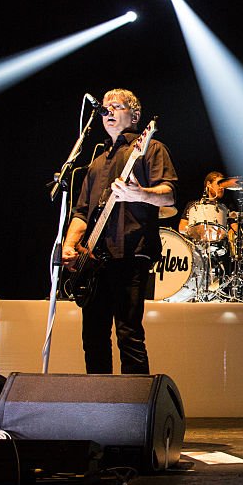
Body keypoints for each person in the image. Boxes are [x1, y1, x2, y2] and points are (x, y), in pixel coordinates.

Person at [62, 89, 178, 374]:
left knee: (129, 336)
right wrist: (69, 244)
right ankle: (100, 407)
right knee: (93, 338)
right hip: (92, 261)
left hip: (130, 253)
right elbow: (81, 214)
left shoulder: (151, 149)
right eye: (104, 107)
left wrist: (139, 194)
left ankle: (133, 408)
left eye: (116, 106)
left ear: (135, 116)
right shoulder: (96, 163)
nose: (108, 112)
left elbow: (169, 195)